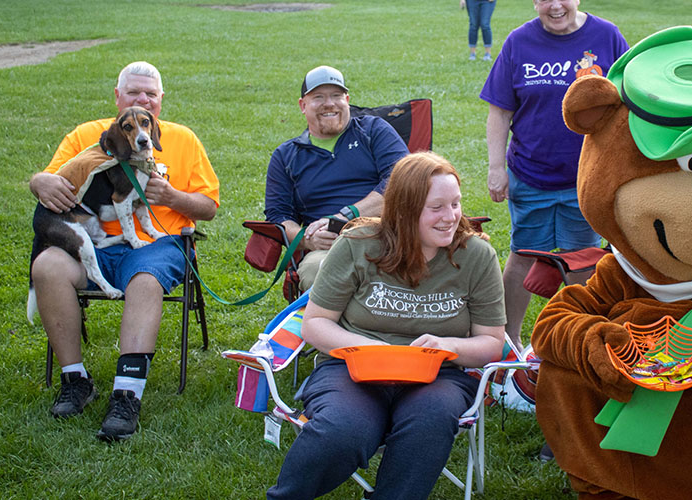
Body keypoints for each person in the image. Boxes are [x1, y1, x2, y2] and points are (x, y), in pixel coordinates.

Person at [265, 152, 506, 499]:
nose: (451, 217)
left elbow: (491, 343)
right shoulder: (359, 244)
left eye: (456, 204)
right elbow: (316, 323)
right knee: (343, 430)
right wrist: (366, 349)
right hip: (352, 366)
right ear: (404, 210)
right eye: (436, 207)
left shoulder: (476, 256)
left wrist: (449, 347)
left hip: (438, 373)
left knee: (429, 423)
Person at [29, 61, 219, 441]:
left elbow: (209, 208)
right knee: (48, 264)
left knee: (145, 280)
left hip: (157, 242)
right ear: (118, 97)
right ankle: (75, 380)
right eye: (134, 92)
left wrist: (173, 196)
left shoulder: (182, 139)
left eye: (150, 94)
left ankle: (126, 394)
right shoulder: (87, 134)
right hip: (92, 242)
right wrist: (38, 182)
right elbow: (50, 177)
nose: (143, 99)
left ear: (161, 101)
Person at [479, 0, 629, 350]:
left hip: (587, 177)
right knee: (524, 254)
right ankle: (507, 339)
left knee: (582, 258)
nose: (555, 5)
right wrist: (495, 167)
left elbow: (628, 101)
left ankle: (580, 339)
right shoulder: (519, 42)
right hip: (531, 174)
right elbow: (499, 112)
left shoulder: (607, 37)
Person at [264, 65, 410, 293]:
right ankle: (331, 327)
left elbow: (402, 181)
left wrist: (346, 216)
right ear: (303, 105)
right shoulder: (286, 156)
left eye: (336, 96)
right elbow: (278, 216)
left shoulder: (374, 130)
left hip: (387, 236)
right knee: (315, 271)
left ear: (347, 99)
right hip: (328, 248)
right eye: (318, 97)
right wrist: (305, 239)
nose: (329, 104)